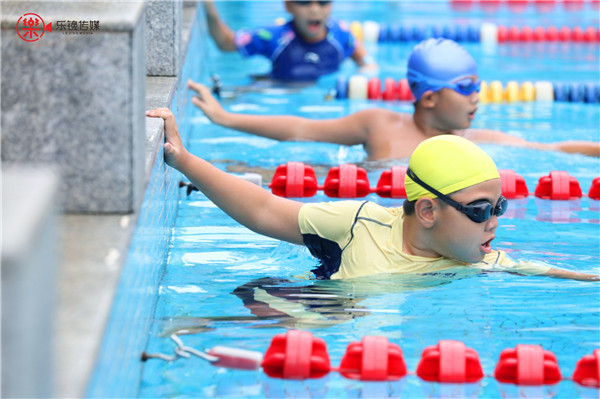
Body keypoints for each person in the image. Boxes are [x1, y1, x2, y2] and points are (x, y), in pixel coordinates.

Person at [146, 107, 599, 282]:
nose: (495, 222)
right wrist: (185, 160)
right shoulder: (357, 223)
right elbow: (266, 209)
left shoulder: (484, 260)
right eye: (481, 210)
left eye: (498, 207)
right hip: (319, 318)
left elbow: (569, 276)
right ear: (427, 211)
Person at [188, 38, 600, 160]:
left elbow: (552, 148)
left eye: (477, 86)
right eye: (466, 86)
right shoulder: (379, 124)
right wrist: (226, 119)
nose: (478, 96)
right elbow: (301, 128)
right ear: (429, 97)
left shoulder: (475, 144)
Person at [203, 0, 377, 82]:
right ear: (288, 6)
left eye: (323, 2)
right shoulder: (274, 37)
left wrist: (366, 69)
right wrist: (210, 9)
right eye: (304, 2)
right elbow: (225, 43)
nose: (315, 9)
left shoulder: (341, 34)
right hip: (279, 89)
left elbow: (362, 56)